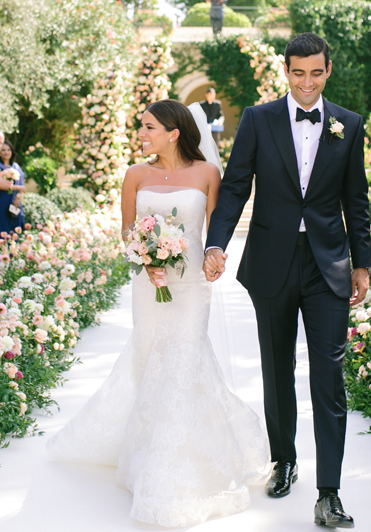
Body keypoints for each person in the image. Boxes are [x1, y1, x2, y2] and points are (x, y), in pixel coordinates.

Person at [48, 99, 267, 527]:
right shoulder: (135, 175)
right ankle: (144, 449)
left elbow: (215, 229)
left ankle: (174, 467)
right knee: (150, 360)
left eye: (148, 127)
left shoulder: (207, 174)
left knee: (184, 359)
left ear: (174, 132)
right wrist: (144, 256)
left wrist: (214, 258)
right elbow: (128, 230)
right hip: (147, 285)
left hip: (190, 288)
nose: (141, 134)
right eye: (140, 127)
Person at [203, 33, 369, 527]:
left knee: (329, 377)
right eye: (298, 73)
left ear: (328, 71)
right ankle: (285, 459)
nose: (307, 83)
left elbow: (355, 200)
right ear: (286, 72)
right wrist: (216, 243)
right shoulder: (258, 119)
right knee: (277, 371)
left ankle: (330, 492)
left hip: (328, 266)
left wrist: (362, 263)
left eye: (316, 73)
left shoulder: (349, 125)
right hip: (272, 261)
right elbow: (234, 187)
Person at [0, 141, 26, 237]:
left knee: (15, 229)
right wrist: (18, 187)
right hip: (2, 201)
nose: (6, 152)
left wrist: (17, 198)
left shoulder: (16, 166)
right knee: (2, 227)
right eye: (3, 150)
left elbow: (23, 188)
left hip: (14, 202)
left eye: (8, 150)